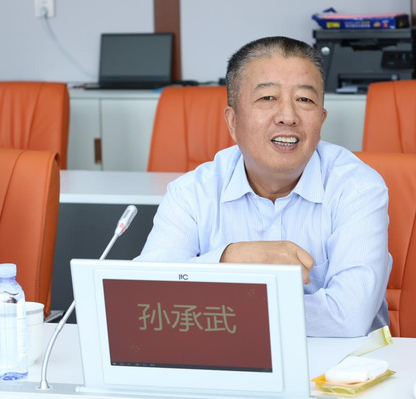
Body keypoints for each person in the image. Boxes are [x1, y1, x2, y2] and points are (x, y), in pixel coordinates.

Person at [136, 36, 392, 338]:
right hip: (225, 359)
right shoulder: (191, 192)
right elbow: (146, 296)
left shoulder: (357, 188)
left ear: (321, 119)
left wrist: (219, 308)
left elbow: (348, 317)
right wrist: (230, 258)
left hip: (345, 365)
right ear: (233, 122)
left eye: (305, 100)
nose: (288, 117)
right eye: (268, 98)